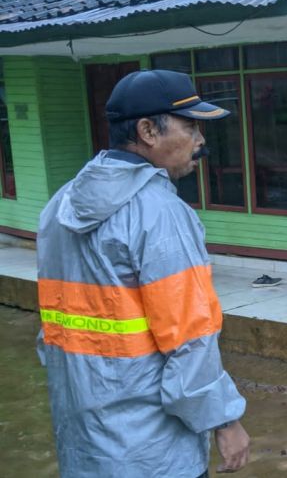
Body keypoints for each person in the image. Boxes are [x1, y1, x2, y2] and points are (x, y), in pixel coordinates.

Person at [36, 70, 250, 477]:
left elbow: (54, 335)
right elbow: (189, 338)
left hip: (84, 445)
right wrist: (224, 421)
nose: (201, 141)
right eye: (190, 127)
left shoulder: (59, 206)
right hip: (154, 452)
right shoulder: (161, 213)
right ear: (148, 130)